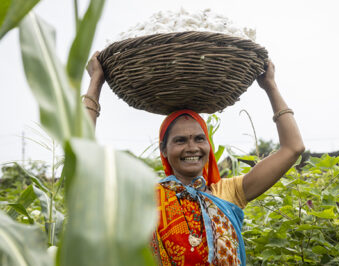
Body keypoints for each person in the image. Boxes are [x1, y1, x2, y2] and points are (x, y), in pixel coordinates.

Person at [85, 51, 305, 265]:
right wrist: (96, 84)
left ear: (208, 145)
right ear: (163, 150)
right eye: (180, 141)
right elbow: (84, 161)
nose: (192, 148)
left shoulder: (229, 193)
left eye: (199, 139)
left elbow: (293, 148)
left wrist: (270, 87)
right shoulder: (144, 199)